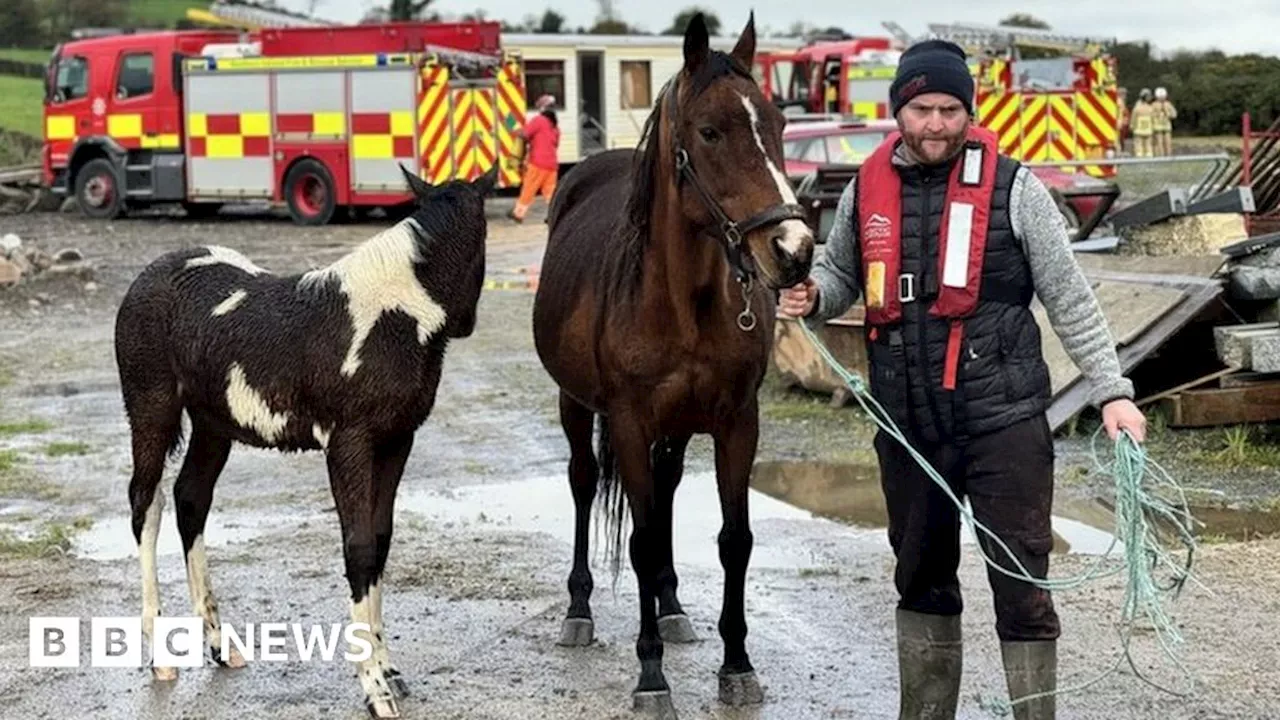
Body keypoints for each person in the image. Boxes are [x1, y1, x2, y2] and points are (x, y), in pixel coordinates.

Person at [777, 39, 1148, 720]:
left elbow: (1069, 297)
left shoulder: (1016, 187)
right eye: (923, 108)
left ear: (968, 111)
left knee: (1022, 588)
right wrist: (815, 297)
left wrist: (1113, 391)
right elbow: (838, 275)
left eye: (950, 109)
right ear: (899, 111)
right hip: (908, 427)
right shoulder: (867, 187)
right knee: (920, 582)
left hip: (1003, 424)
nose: (937, 125)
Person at [510, 94, 561, 223]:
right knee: (550, 192)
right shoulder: (555, 127)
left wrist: (510, 124)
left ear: (542, 108)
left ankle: (518, 215)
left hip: (538, 163)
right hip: (552, 164)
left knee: (529, 188)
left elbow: (525, 134)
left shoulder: (539, 121)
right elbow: (555, 144)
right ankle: (554, 215)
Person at [1152, 87, 1177, 157]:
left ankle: (1168, 156)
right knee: (1159, 143)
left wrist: (1168, 113)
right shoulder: (1154, 105)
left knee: (1168, 143)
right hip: (1157, 127)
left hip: (1166, 126)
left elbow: (1174, 114)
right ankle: (1161, 157)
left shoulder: (1168, 104)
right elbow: (1151, 115)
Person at [1130, 88, 1155, 158]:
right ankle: (1149, 156)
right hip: (1148, 129)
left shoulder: (1137, 108)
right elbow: (1153, 119)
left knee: (1138, 144)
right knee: (1148, 145)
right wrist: (1153, 127)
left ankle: (1139, 156)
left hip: (1138, 129)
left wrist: (1132, 125)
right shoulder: (1150, 108)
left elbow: (1133, 118)